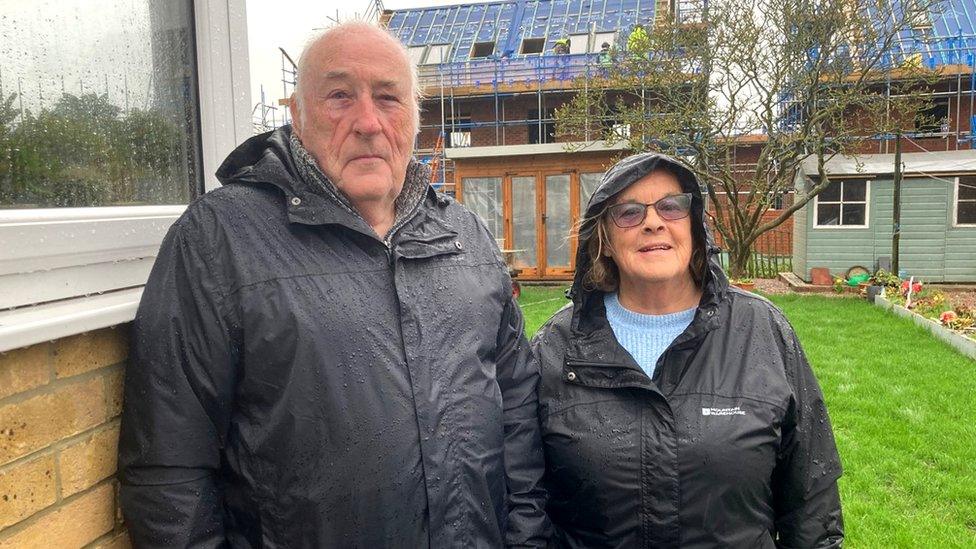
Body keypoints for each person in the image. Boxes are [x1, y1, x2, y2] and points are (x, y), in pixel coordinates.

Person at [118, 21, 548, 547]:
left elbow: (518, 413)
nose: (368, 122)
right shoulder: (217, 241)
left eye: (389, 97)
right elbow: (168, 467)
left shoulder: (466, 236)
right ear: (297, 116)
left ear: (416, 117)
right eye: (340, 96)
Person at [532, 152, 844, 547]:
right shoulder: (557, 346)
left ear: (695, 226)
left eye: (671, 206)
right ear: (605, 241)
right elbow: (526, 501)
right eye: (628, 213)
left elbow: (812, 504)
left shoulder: (762, 332)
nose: (653, 222)